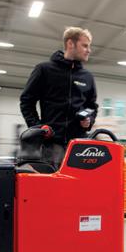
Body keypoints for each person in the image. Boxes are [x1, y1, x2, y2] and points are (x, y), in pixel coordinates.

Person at [19, 27, 98, 170]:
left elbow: (92, 106)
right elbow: (26, 101)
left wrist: (89, 120)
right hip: (51, 146)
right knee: (50, 183)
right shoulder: (44, 70)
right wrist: (37, 127)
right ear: (70, 44)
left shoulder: (87, 77)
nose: (89, 50)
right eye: (85, 45)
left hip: (79, 147)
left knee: (77, 183)